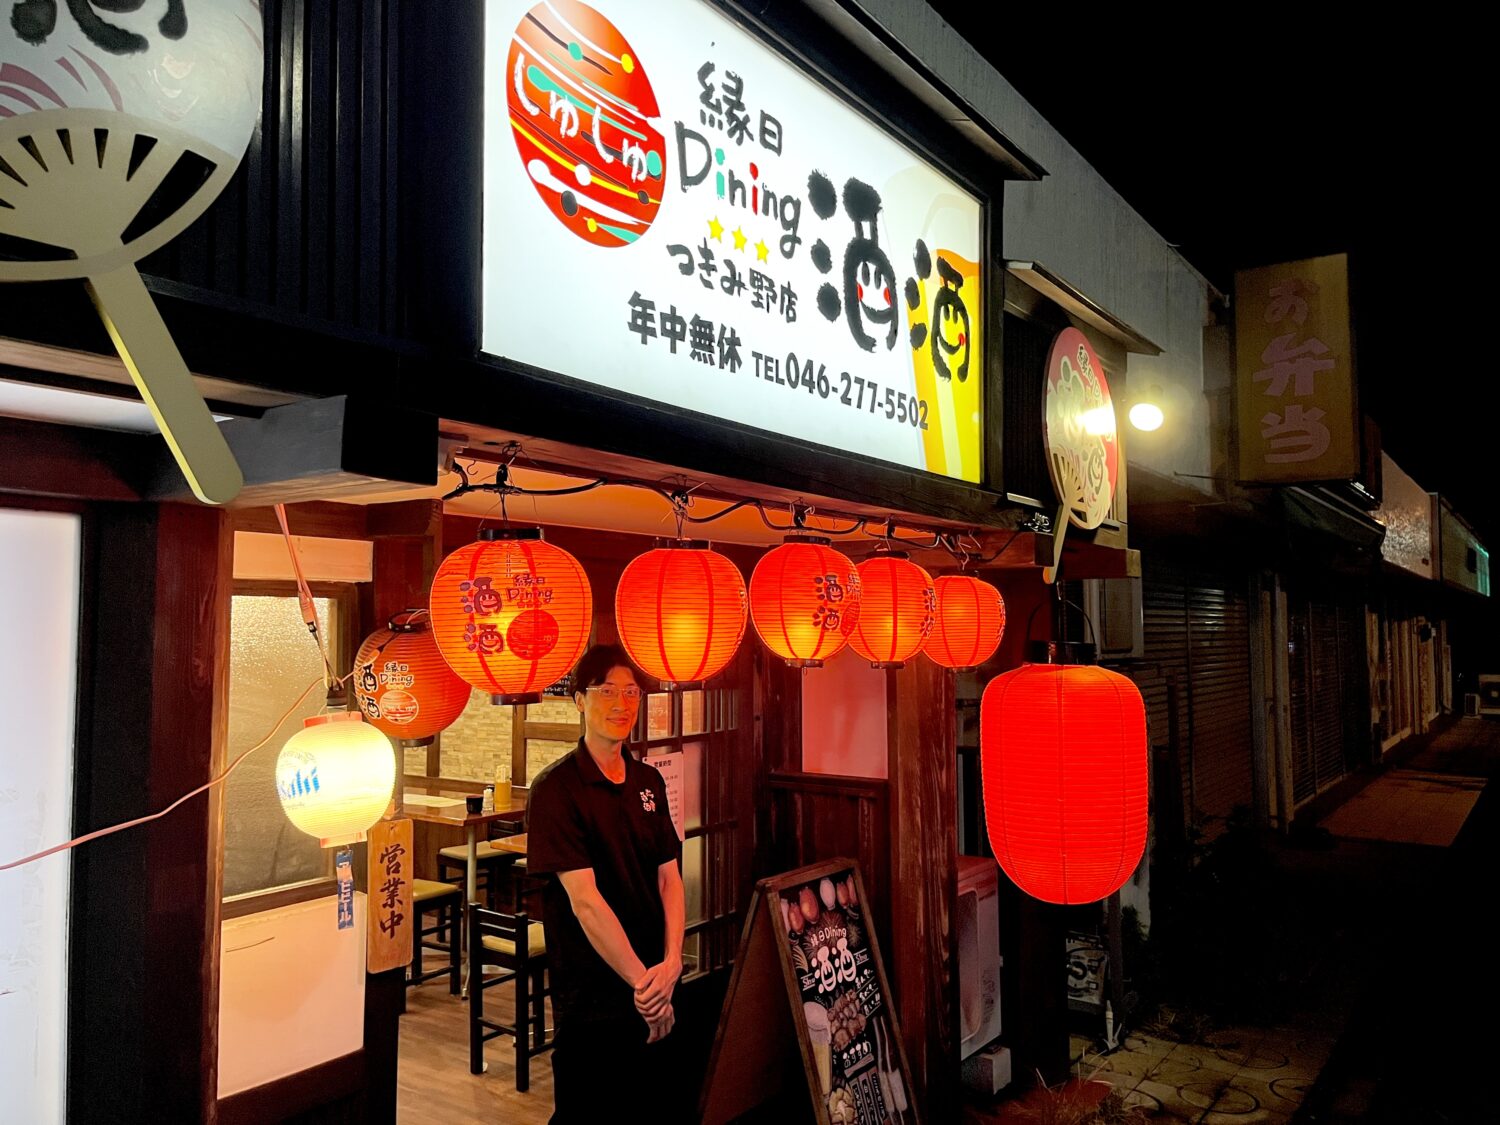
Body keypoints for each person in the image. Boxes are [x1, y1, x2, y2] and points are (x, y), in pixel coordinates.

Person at [525, 643, 686, 1123]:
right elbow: (586, 903)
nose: (622, 705)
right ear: (579, 700)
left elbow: (669, 878)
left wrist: (672, 964)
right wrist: (644, 987)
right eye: (607, 692)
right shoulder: (556, 791)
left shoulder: (647, 781)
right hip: (593, 998)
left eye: (632, 693)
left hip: (656, 984)